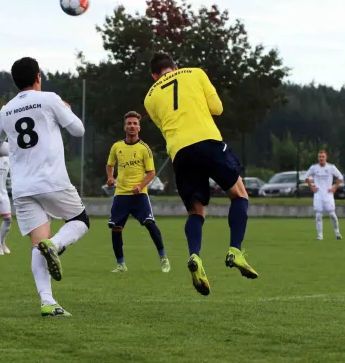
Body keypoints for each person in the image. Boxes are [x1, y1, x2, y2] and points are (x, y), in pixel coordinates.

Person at [143, 51, 258, 296]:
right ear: (175, 66)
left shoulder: (150, 97)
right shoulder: (195, 72)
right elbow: (217, 108)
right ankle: (235, 250)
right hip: (207, 141)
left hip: (180, 152)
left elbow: (165, 125)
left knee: (195, 211)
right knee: (239, 195)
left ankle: (195, 256)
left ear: (154, 75)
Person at [0, 56, 89, 317]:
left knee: (38, 244)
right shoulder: (49, 98)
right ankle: (55, 245)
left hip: (22, 188)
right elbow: (79, 131)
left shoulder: (5, 110)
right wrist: (66, 109)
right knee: (80, 221)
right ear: (38, 77)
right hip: (51, 180)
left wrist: (14, 151)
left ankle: (47, 302)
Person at [106, 111, 170, 273]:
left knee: (149, 223)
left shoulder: (144, 149)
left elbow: (151, 173)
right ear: (125, 126)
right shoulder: (117, 146)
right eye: (129, 123)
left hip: (139, 195)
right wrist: (110, 177)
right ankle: (121, 264)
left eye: (135, 123)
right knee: (116, 228)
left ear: (139, 127)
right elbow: (110, 164)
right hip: (121, 194)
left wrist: (140, 186)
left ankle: (163, 259)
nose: (132, 126)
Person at [304, 150, 343, 240]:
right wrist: (311, 187)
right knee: (318, 215)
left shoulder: (331, 167)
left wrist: (334, 187)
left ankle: (337, 232)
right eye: (319, 157)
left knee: (332, 214)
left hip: (328, 194)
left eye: (323, 157)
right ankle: (320, 235)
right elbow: (306, 177)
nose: (321, 158)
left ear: (326, 158)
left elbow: (340, 177)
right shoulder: (314, 168)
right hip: (318, 194)